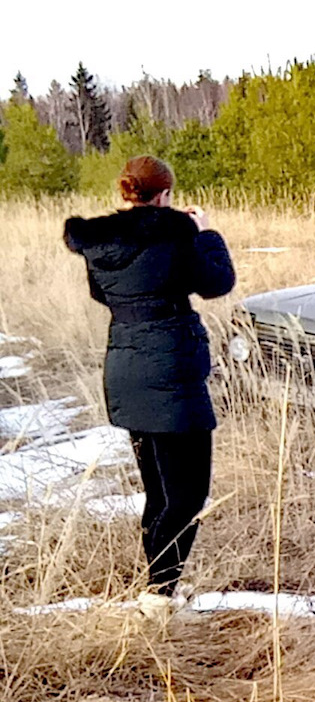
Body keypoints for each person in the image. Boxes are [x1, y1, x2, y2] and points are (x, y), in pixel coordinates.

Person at [64, 155, 235, 606]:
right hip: (172, 376)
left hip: (124, 373)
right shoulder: (176, 236)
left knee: (160, 495)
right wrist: (206, 233)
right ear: (163, 195)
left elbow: (102, 293)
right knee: (187, 496)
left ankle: (159, 592)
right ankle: (158, 600)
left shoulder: (99, 241)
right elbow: (218, 282)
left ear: (126, 193)